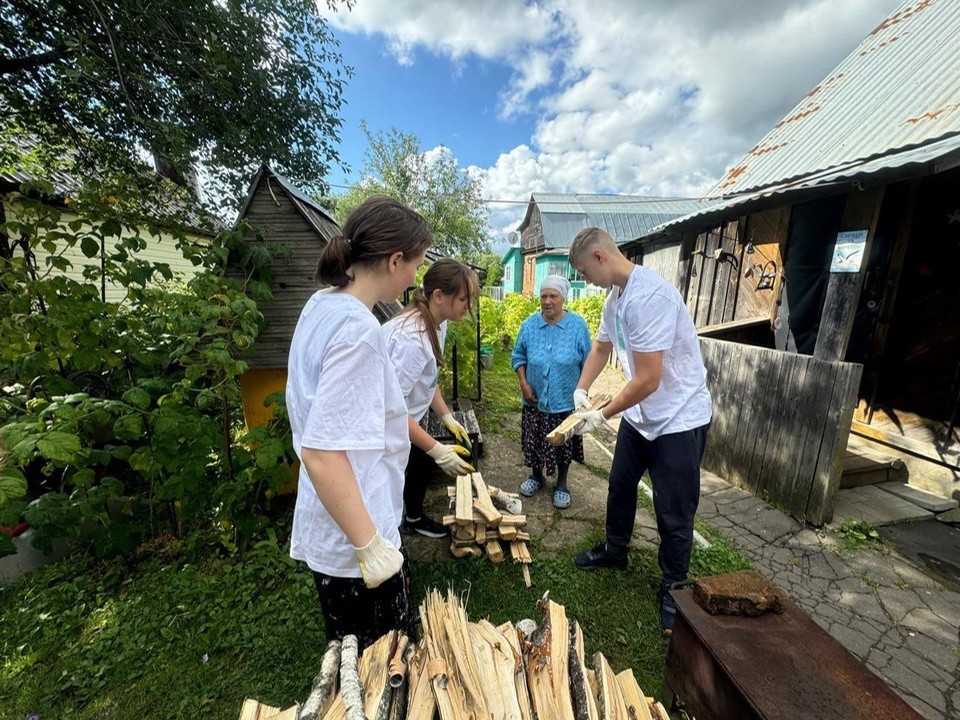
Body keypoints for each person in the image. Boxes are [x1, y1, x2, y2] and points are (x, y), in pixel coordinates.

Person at [286, 195, 432, 649]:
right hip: (355, 535)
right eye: (415, 265)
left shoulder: (323, 303)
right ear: (394, 261)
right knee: (382, 665)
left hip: (338, 523)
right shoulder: (359, 331)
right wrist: (370, 545)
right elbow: (320, 451)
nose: (415, 278)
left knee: (352, 654)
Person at [566, 227, 712, 636]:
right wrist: (582, 389)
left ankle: (674, 585)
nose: (585, 281)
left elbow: (649, 378)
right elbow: (601, 348)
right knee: (621, 484)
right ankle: (616, 551)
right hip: (643, 417)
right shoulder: (616, 299)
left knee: (673, 508)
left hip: (678, 419)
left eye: (583, 271)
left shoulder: (649, 297)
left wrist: (604, 413)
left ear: (599, 257)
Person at [382, 258, 479, 538]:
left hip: (410, 417)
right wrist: (437, 449)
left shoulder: (438, 321)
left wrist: (446, 415)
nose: (467, 306)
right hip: (388, 425)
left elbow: (428, 380)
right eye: (463, 299)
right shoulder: (411, 340)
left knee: (420, 463)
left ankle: (413, 518)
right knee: (390, 484)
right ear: (438, 296)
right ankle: (392, 535)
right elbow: (391, 411)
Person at [512, 275, 592, 509]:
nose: (547, 301)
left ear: (563, 298)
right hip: (534, 400)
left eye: (553, 296)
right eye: (543, 296)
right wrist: (524, 383)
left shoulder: (577, 326)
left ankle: (562, 484)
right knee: (534, 441)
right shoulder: (529, 325)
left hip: (564, 402)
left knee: (562, 445)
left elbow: (588, 362)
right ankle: (536, 475)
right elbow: (518, 356)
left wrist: (582, 393)